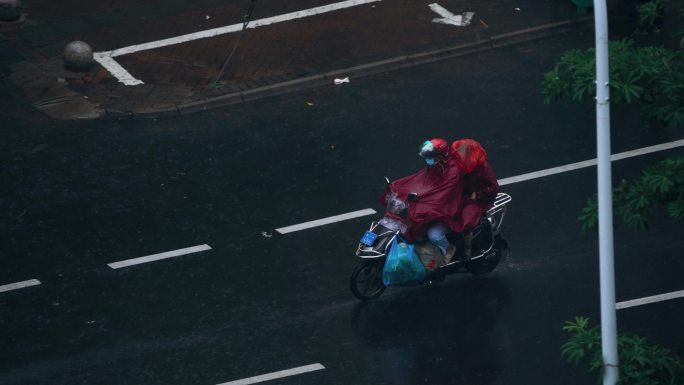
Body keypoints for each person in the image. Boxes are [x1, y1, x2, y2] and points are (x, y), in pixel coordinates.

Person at [450, 138, 500, 257]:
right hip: (462, 197)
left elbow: (494, 188)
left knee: (465, 222)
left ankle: (467, 247)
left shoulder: (484, 167)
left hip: (477, 201)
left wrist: (477, 194)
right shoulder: (460, 164)